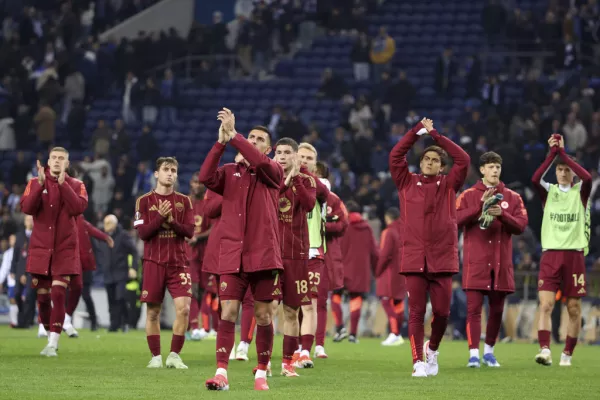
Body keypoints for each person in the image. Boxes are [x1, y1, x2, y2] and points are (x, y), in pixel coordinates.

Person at [200, 109, 283, 391]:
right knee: (228, 311)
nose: (255, 141)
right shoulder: (231, 173)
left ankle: (260, 372)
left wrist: (235, 137)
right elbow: (205, 177)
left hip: (263, 254)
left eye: (260, 139)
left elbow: (258, 160)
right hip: (233, 254)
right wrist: (221, 143)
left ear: (268, 148)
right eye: (251, 137)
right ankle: (221, 372)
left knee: (263, 315)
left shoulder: (273, 171)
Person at [389, 118, 469, 377]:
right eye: (426, 159)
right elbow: (395, 155)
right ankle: (417, 362)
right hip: (414, 258)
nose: (430, 162)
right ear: (420, 163)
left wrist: (436, 135)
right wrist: (415, 133)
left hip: (443, 258)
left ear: (442, 166)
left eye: (435, 160)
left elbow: (464, 159)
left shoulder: (449, 185)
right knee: (416, 313)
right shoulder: (406, 182)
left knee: (443, 313)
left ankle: (432, 348)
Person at [456, 151, 528, 367]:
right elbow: (455, 220)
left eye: (498, 166)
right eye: (491, 166)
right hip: (475, 262)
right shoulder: (468, 195)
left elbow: (521, 226)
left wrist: (502, 215)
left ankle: (489, 352)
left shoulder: (513, 198)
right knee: (474, 310)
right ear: (482, 170)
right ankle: (473, 355)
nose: (495, 170)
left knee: (496, 310)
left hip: (500, 264)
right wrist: (480, 207)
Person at [20, 147, 89, 356]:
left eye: (61, 158)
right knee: (42, 299)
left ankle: (53, 343)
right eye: (54, 158)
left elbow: (78, 208)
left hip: (64, 249)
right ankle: (51, 334)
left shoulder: (77, 185)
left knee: (59, 293)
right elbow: (26, 208)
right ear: (48, 161)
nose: (57, 161)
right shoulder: (34, 182)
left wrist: (63, 186)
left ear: (67, 164)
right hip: (41, 249)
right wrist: (40, 185)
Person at [531, 134, 592, 367]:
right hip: (551, 254)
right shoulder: (550, 192)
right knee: (546, 305)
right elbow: (536, 178)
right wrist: (553, 154)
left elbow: (587, 176)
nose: (564, 173)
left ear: (572, 173)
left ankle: (567, 354)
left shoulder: (581, 192)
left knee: (574, 309)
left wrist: (563, 153)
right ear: (555, 173)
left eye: (567, 170)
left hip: (574, 254)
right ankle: (545, 350)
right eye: (560, 170)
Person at [134, 156, 194, 368]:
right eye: (166, 169)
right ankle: (156, 356)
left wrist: (172, 221)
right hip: (153, 262)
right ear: (157, 174)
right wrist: (159, 218)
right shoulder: (143, 201)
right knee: (153, 312)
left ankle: (174, 355)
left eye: (174, 170)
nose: (171, 173)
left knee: (184, 309)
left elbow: (189, 231)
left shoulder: (184, 201)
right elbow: (142, 233)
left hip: (179, 263)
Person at [274, 137, 317, 376]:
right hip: (269, 254)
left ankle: (287, 364)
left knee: (291, 311)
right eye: (278, 152)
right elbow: (268, 203)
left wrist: (296, 180)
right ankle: (265, 362)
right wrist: (283, 183)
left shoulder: (308, 180)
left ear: (295, 157)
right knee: (267, 310)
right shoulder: (268, 178)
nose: (282, 156)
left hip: (296, 255)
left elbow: (309, 205)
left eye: (287, 152)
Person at [294, 142, 330, 368]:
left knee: (310, 303)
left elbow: (323, 193)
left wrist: (302, 171)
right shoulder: (283, 179)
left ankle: (305, 350)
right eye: (302, 157)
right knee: (290, 305)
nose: (305, 160)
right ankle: (295, 347)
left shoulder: (320, 183)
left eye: (309, 158)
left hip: (313, 250)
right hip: (288, 250)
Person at [315, 161, 348, 357]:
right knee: (296, 302)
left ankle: (318, 344)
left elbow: (343, 224)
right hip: (298, 253)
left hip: (323, 255)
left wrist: (321, 226)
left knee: (319, 301)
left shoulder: (333, 200)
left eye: (319, 174)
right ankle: (299, 345)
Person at [63, 214, 114, 337]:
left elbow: (92, 230)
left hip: (84, 267)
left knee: (85, 295)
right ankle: (67, 321)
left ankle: (93, 321)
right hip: (70, 264)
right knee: (68, 294)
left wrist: (105, 237)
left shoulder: (80, 220)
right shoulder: (64, 220)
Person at [338, 201, 379, 343]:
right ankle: (353, 334)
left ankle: (339, 329)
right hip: (361, 271)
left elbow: (337, 247)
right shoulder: (367, 228)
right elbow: (374, 252)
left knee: (336, 297)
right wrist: (376, 270)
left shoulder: (342, 225)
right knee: (356, 300)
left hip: (341, 268)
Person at [375, 207, 407, 347]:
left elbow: (384, 254)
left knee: (386, 302)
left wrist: (378, 271)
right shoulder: (406, 230)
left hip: (389, 273)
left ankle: (395, 333)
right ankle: (398, 333)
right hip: (403, 272)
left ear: (388, 218)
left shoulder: (388, 232)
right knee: (398, 303)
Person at [186, 172, 212, 341]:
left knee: (203, 291)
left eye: (200, 183)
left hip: (206, 252)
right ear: (190, 183)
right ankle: (194, 327)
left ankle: (197, 326)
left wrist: (198, 237)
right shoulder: (185, 203)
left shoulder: (209, 204)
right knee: (193, 289)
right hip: (189, 253)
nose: (197, 185)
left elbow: (215, 227)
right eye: (194, 182)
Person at [103, 214, 139, 332]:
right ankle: (115, 323)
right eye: (105, 223)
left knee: (120, 298)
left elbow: (134, 252)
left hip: (120, 272)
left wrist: (133, 268)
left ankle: (121, 322)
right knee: (111, 300)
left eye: (109, 223)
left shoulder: (123, 236)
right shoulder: (104, 236)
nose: (106, 226)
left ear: (114, 224)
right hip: (108, 273)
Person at [200, 189, 223, 343]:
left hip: (225, 255)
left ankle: (215, 329)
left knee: (219, 297)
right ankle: (209, 328)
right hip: (212, 256)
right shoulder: (213, 196)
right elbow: (209, 211)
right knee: (209, 295)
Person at [10, 216, 34, 328]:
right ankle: (22, 319)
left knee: (30, 296)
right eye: (27, 220)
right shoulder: (19, 236)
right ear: (24, 222)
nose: (29, 222)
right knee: (17, 294)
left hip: (32, 270)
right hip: (20, 270)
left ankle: (27, 322)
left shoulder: (37, 235)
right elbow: (15, 255)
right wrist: (13, 270)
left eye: (31, 220)